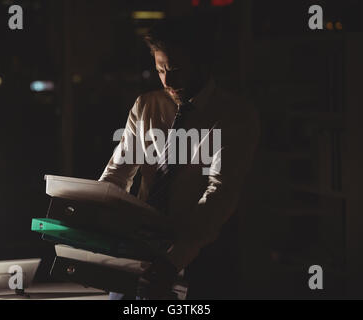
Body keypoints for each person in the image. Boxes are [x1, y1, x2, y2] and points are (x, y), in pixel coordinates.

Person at [99, 16, 260, 299]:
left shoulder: (234, 115)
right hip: (142, 243)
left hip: (201, 253)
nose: (168, 80)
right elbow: (118, 172)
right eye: (160, 69)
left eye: (176, 69)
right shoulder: (147, 105)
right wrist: (95, 214)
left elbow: (219, 193)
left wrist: (173, 260)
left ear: (203, 65)